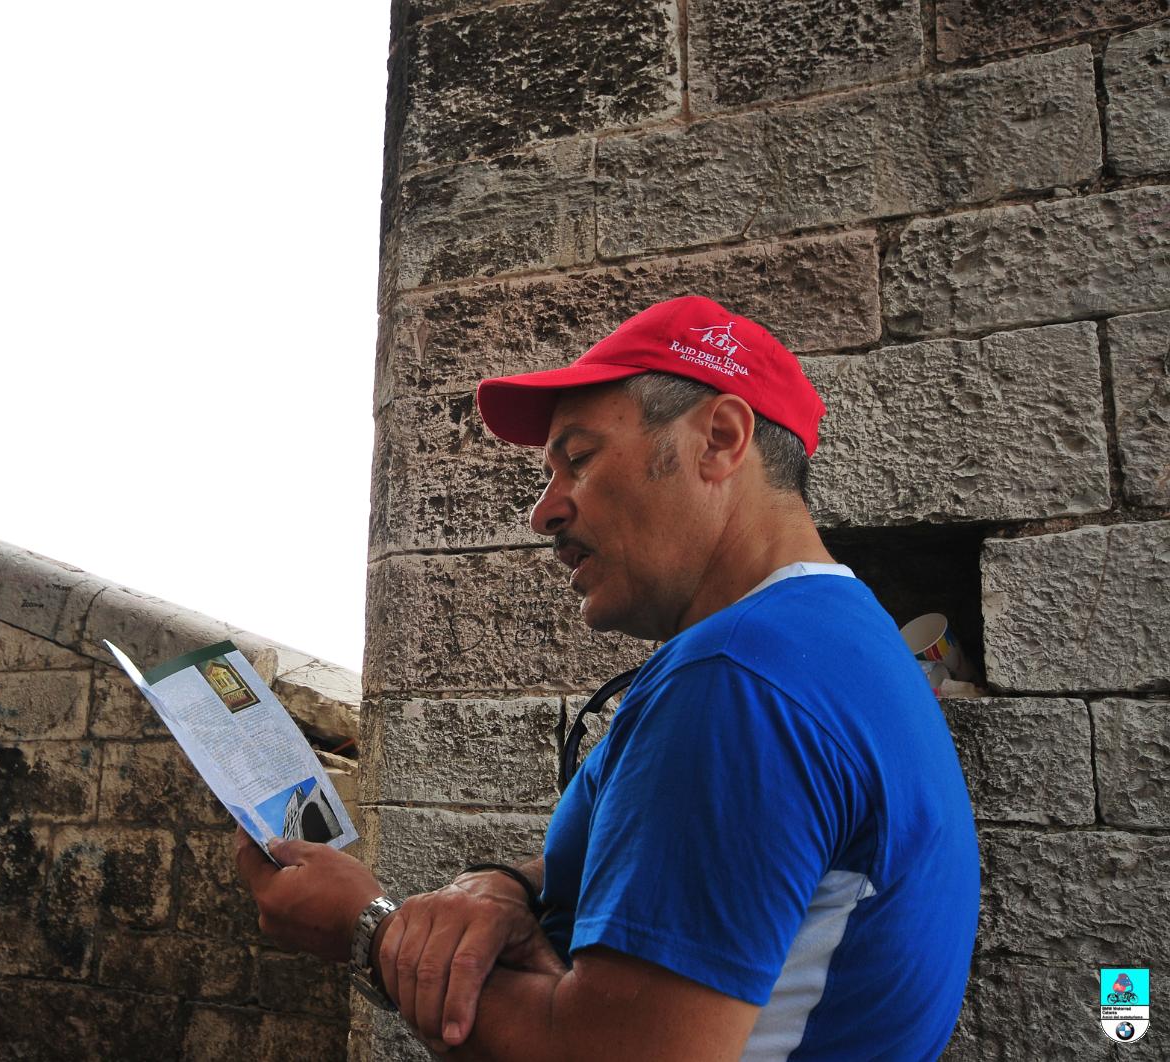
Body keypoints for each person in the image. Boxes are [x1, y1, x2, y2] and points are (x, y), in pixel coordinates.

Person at [236, 295, 980, 1060]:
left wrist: (366, 929)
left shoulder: (735, 683)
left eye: (579, 459)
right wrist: (509, 888)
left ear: (720, 440)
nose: (544, 511)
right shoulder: (840, 639)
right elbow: (699, 863)